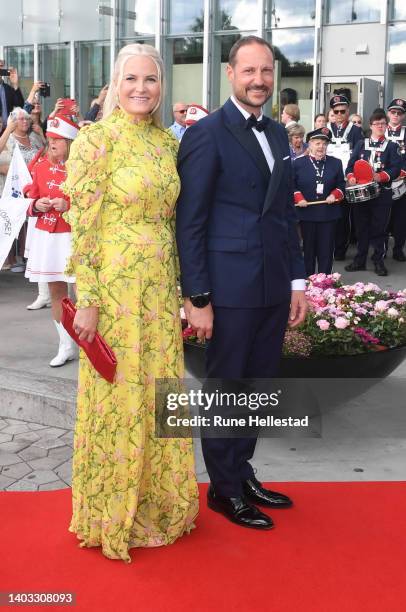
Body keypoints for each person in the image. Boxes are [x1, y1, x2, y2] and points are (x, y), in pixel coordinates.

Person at [62, 43, 198, 563]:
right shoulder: (95, 140)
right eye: (131, 79)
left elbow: (175, 222)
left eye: (150, 80)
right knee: (120, 398)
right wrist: (89, 298)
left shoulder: (168, 142)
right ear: (115, 86)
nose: (141, 88)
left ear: (161, 87)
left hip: (160, 289)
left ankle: (160, 502)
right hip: (116, 291)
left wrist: (186, 293)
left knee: (162, 395)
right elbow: (85, 227)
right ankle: (112, 512)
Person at [176, 35, 307, 531]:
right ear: (230, 74)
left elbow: (281, 214)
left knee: (256, 387)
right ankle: (223, 490)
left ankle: (242, 471)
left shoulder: (277, 133)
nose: (259, 80)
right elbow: (190, 222)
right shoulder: (207, 133)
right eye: (249, 71)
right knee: (227, 388)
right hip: (228, 289)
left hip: (273, 285)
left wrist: (297, 282)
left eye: (267, 71)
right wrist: (199, 297)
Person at [24, 115, 78, 364]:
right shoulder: (41, 166)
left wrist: (69, 204)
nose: (52, 143)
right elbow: (26, 197)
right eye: (50, 138)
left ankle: (94, 346)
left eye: (58, 139)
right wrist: (36, 204)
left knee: (85, 292)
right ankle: (65, 345)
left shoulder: (82, 167)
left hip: (76, 235)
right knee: (58, 292)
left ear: (71, 141)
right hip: (48, 236)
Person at [345, 109, 401, 277]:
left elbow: (396, 169)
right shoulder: (361, 144)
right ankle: (360, 260)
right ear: (371, 126)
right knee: (361, 228)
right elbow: (350, 165)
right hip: (362, 194)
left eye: (383, 123)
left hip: (382, 194)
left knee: (379, 229)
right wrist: (352, 177)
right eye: (377, 124)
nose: (380, 126)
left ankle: (378, 261)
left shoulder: (392, 146)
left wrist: (380, 176)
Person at [293, 127, 345, 276]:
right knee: (308, 251)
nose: (321, 146)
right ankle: (308, 283)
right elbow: (291, 185)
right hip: (307, 213)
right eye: (317, 143)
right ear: (309, 145)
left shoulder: (336, 163)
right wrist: (299, 198)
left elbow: (341, 185)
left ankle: (325, 282)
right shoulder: (298, 163)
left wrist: (335, 195)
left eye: (324, 143)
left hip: (328, 214)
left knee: (326, 251)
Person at [327, 95, 364, 261]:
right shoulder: (325, 130)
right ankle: (328, 246)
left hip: (348, 180)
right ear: (332, 112)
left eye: (343, 111)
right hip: (328, 180)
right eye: (336, 111)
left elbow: (359, 156)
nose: (340, 114)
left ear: (348, 111)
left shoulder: (356, 131)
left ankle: (340, 250)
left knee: (344, 217)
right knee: (328, 215)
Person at [385, 98, 406, 261]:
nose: (396, 115)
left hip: (403, 182)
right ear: (388, 113)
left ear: (403, 116)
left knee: (400, 219)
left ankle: (398, 249)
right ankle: (382, 249)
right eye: (393, 112)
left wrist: (403, 172)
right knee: (383, 218)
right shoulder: (379, 131)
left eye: (399, 113)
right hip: (384, 182)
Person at [0, 60, 24, 131]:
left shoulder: (8, 88)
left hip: (8, 131)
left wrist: (15, 84)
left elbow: (20, 105)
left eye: (1, 66)